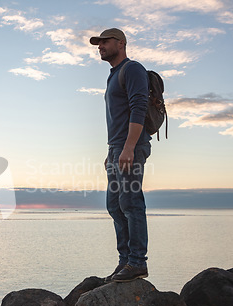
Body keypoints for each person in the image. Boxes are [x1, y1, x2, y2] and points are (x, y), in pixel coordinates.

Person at [90, 28, 151, 282]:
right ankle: (125, 261)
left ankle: (137, 262)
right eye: (98, 43)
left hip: (131, 147)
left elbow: (139, 107)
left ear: (121, 43)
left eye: (105, 42)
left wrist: (128, 147)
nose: (100, 46)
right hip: (116, 148)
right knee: (114, 205)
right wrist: (112, 151)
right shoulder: (113, 75)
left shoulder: (132, 69)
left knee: (130, 203)